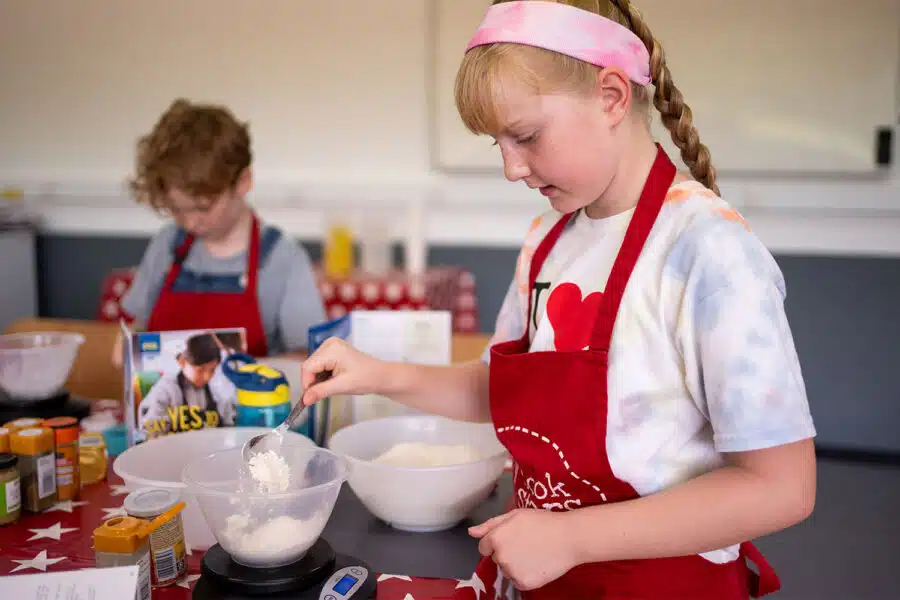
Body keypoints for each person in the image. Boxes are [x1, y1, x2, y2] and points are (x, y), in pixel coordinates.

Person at [299, 1, 817, 598]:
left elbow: (782, 487)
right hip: (540, 575)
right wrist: (377, 374)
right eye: (498, 143)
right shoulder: (547, 240)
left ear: (613, 97)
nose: (511, 168)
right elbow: (502, 390)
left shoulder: (709, 251)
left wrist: (573, 539)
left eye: (525, 136)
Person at [112, 98, 325, 366]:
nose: (190, 223)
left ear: (243, 182)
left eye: (203, 208)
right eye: (177, 210)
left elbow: (307, 358)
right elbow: (138, 327)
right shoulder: (167, 244)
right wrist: (127, 347)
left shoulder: (283, 258)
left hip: (249, 406)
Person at [137, 333, 234, 438]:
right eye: (200, 370)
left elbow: (228, 427)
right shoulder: (165, 390)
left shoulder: (216, 392)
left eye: (212, 370)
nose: (207, 377)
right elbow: (147, 430)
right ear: (182, 362)